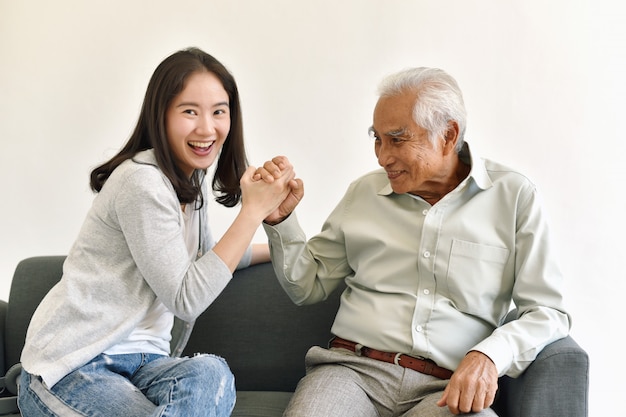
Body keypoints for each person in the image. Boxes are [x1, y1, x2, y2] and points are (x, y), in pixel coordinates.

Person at [257, 67, 570, 416]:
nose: (382, 156)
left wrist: (489, 354)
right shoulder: (363, 193)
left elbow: (546, 312)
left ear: (448, 136)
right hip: (352, 373)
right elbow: (307, 285)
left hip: (446, 389)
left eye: (397, 139)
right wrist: (280, 219)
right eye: (377, 138)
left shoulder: (514, 196)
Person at [17, 47, 296, 417]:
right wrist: (251, 210)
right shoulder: (141, 182)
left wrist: (279, 241)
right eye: (189, 111)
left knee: (211, 372)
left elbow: (208, 260)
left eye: (218, 111)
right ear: (160, 115)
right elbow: (187, 296)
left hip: (148, 366)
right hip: (76, 365)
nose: (206, 128)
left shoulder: (189, 183)